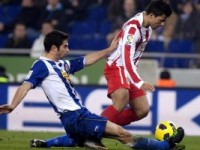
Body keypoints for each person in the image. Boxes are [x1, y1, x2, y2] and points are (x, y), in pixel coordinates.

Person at [0, 30, 184, 150]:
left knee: (79, 140)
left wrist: (109, 49)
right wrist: (13, 105)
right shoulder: (42, 66)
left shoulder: (61, 65)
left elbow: (86, 60)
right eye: (65, 46)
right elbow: (26, 85)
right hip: (78, 116)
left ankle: (48, 144)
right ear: (54, 48)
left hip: (71, 120)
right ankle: (165, 145)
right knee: (122, 134)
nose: (68, 48)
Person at [101, 0, 173, 126]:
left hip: (128, 70)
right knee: (121, 100)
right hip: (117, 67)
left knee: (142, 110)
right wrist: (139, 82)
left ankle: (104, 127)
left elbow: (133, 58)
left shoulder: (147, 29)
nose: (162, 24)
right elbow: (126, 57)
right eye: (161, 20)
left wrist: (134, 78)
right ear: (151, 15)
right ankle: (92, 131)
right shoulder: (133, 28)